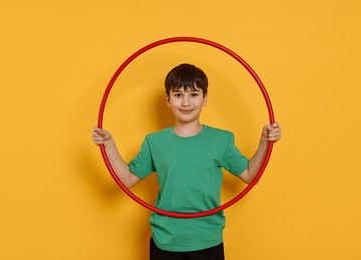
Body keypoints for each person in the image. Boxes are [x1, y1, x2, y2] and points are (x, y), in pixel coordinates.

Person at [92, 63, 281, 260]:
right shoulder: (155, 142)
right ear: (168, 100)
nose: (186, 102)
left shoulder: (221, 140)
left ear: (205, 98)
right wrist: (109, 145)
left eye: (193, 94)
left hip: (207, 239)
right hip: (166, 240)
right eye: (178, 95)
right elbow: (127, 179)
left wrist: (264, 142)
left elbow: (251, 175)